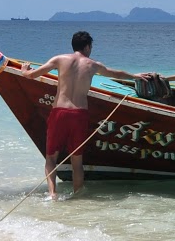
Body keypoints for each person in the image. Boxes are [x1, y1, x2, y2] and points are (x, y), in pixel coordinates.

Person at [23, 30, 138, 199]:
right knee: (77, 161)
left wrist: (25, 70)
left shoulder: (59, 59)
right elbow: (116, 73)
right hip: (79, 113)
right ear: (87, 47)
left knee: (51, 158)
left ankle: (53, 194)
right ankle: (77, 197)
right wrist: (136, 76)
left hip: (60, 112)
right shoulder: (92, 65)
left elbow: (33, 75)